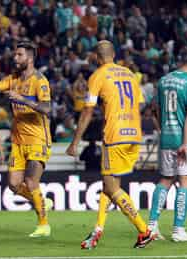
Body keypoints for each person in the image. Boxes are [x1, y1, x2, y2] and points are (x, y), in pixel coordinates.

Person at [66, 40, 156, 249]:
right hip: (134, 134)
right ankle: (97, 230)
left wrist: (75, 141)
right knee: (110, 186)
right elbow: (141, 104)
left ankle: (144, 231)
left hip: (114, 135)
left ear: (97, 57)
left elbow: (88, 110)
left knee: (110, 186)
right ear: (114, 54)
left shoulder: (97, 76)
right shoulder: (130, 74)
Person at [0, 40, 53, 237]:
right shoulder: (14, 79)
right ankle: (41, 201)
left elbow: (47, 108)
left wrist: (23, 100)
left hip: (37, 139)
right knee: (14, 184)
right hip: (18, 141)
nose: (15, 58)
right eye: (15, 54)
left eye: (19, 55)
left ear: (30, 58)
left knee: (30, 181)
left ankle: (44, 225)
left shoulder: (40, 81)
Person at [148, 50, 187, 242]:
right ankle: (178, 230)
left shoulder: (164, 80)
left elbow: (154, 110)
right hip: (185, 142)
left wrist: (161, 130)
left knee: (165, 179)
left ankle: (152, 227)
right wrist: (184, 143)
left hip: (166, 138)